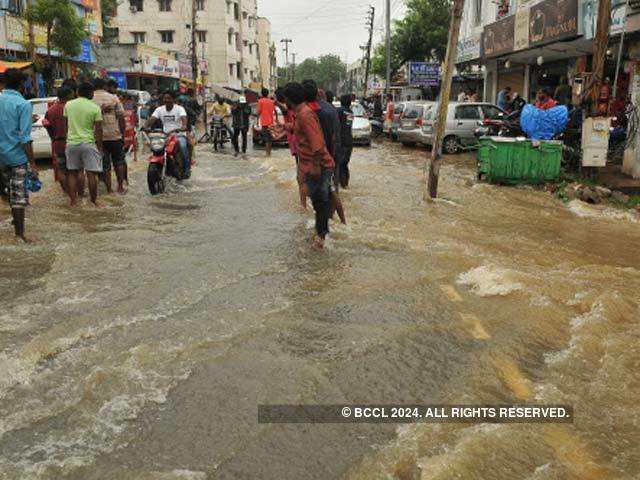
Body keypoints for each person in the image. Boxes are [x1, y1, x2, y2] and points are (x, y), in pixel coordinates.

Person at [282, 82, 335, 251]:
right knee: (320, 200)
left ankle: (321, 239)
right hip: (311, 165)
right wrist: (286, 127)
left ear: (290, 99)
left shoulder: (305, 115)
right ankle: (321, 234)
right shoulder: (300, 114)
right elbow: (302, 132)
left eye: (285, 99)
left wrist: (316, 167)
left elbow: (318, 144)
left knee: (320, 202)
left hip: (318, 165)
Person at [0, 69, 37, 241]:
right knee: (18, 198)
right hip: (16, 158)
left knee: (6, 194)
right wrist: (33, 164)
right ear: (22, 85)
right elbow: (25, 138)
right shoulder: (23, 105)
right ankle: (20, 235)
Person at [64, 81, 104, 207]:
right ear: (91, 93)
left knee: (72, 173)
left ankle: (73, 202)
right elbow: (98, 130)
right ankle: (94, 201)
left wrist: (68, 139)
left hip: (71, 143)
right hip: (88, 143)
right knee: (91, 173)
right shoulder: (95, 108)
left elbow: (66, 125)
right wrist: (100, 147)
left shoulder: (68, 105)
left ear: (77, 92)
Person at [93, 77, 126, 194]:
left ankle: (109, 190)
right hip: (115, 135)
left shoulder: (90, 99)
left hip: (98, 138)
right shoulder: (114, 98)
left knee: (105, 165)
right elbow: (122, 118)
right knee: (119, 162)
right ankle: (120, 186)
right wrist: (122, 135)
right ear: (104, 86)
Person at [146, 91, 190, 177]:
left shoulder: (180, 109)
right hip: (165, 135)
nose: (166, 100)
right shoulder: (159, 109)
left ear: (173, 99)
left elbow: (184, 118)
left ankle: (186, 169)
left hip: (178, 134)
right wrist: (145, 126)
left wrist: (184, 126)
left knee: (183, 146)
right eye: (165, 98)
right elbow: (152, 119)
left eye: (169, 98)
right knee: (156, 148)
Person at [44, 86, 73, 193]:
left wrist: (54, 138)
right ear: (69, 95)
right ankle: (78, 194)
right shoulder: (72, 107)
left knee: (61, 169)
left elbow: (47, 125)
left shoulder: (50, 110)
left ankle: (67, 193)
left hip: (58, 143)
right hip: (73, 142)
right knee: (75, 170)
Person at [336, 94, 354, 188]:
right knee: (345, 163)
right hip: (349, 140)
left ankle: (341, 184)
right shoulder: (350, 112)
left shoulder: (339, 111)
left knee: (340, 163)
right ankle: (345, 184)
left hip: (341, 141)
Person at [257, 88, 276, 156]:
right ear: (267, 94)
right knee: (270, 139)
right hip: (271, 122)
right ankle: (269, 153)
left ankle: (267, 154)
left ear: (262, 94)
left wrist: (257, 120)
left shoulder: (260, 101)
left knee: (266, 139)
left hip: (264, 123)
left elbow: (258, 112)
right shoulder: (271, 101)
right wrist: (276, 119)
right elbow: (275, 111)